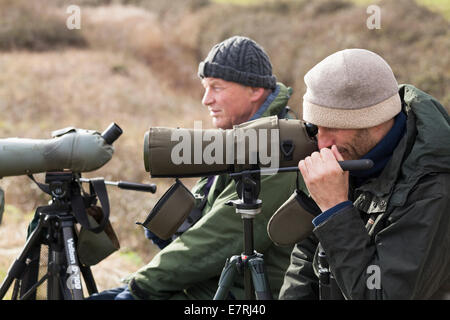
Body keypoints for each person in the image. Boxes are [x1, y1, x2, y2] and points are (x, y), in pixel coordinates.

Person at [90, 36, 302, 300]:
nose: (206, 99)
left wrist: (141, 287)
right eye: (205, 87)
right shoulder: (240, 139)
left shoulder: (280, 149)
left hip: (236, 294)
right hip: (206, 284)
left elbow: (217, 239)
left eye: (216, 87)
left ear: (255, 90)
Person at [279, 48, 450, 300]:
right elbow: (305, 262)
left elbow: (381, 294)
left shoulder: (433, 184)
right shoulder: (347, 155)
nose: (322, 144)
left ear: (377, 120)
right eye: (316, 128)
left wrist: (335, 210)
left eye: (333, 127)